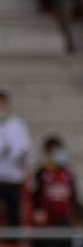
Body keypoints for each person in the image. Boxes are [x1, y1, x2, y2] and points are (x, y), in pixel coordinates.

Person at [0, 92, 31, 230]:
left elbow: (25, 148)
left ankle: (14, 241)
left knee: (14, 213)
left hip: (13, 177)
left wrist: (19, 155)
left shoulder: (18, 125)